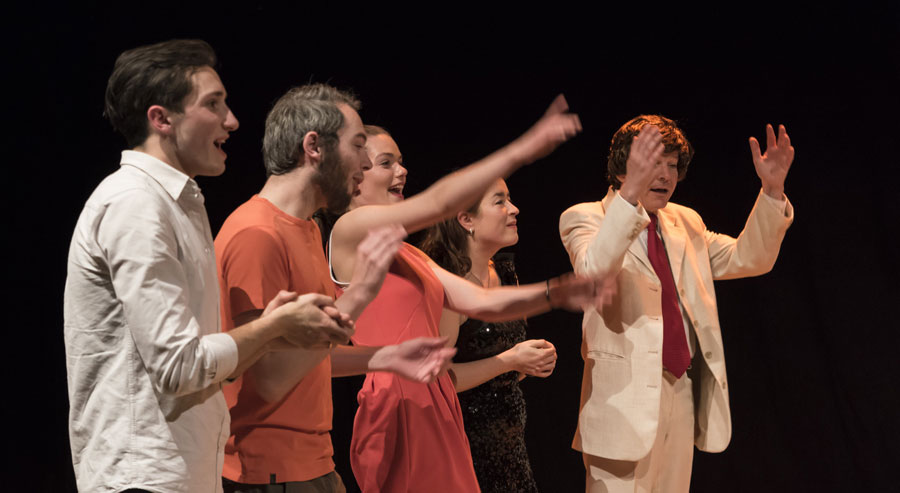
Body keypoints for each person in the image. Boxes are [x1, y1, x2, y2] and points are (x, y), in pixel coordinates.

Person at [64, 40, 355, 493]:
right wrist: (271, 328)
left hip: (186, 473)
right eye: (213, 104)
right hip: (143, 478)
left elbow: (207, 365)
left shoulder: (180, 205)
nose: (232, 120)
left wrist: (273, 330)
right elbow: (178, 367)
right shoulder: (136, 204)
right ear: (161, 119)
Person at [329, 100, 610, 492]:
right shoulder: (348, 228)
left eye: (401, 162)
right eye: (386, 163)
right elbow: (438, 203)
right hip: (398, 402)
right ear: (356, 173)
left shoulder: (409, 254)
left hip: (436, 400)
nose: (402, 171)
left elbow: (481, 302)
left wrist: (555, 291)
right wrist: (523, 149)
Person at [215, 84, 456, 493]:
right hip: (268, 470)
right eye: (358, 145)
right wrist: (359, 295)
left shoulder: (307, 229)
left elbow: (309, 357)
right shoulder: (256, 234)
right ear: (314, 147)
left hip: (313, 463)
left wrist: (387, 356)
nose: (364, 163)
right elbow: (270, 379)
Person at [559, 115, 795, 492]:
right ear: (623, 166)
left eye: (672, 165)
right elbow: (593, 272)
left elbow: (748, 258)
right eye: (654, 163)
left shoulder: (684, 221)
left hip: (679, 393)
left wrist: (771, 191)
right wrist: (629, 198)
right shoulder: (586, 216)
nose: (666, 175)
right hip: (622, 402)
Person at [421, 177, 553, 493]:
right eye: (500, 201)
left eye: (510, 199)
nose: (514, 209)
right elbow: (437, 381)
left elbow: (503, 360)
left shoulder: (504, 272)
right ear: (466, 220)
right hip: (465, 450)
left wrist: (528, 361)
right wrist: (510, 360)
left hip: (510, 450)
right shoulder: (449, 287)